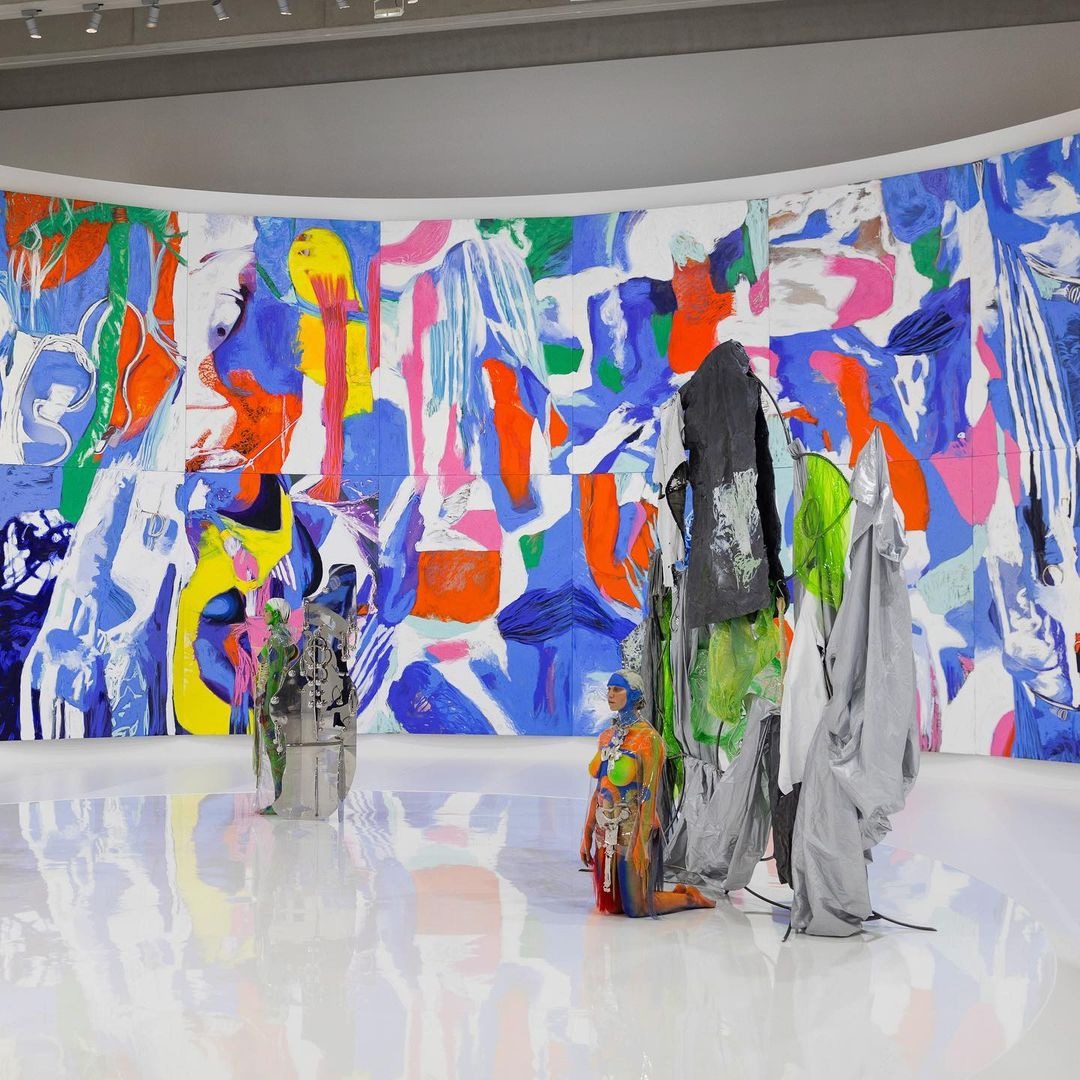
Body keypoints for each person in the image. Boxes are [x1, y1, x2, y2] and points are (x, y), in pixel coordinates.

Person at [580, 670, 715, 916]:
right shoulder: (607, 737)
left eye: (617, 689)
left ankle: (688, 899)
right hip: (605, 828)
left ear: (634, 695)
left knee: (637, 908)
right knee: (614, 907)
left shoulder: (648, 739)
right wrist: (587, 832)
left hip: (633, 829)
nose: (610, 694)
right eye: (609, 689)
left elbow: (649, 793)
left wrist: (641, 842)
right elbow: (600, 788)